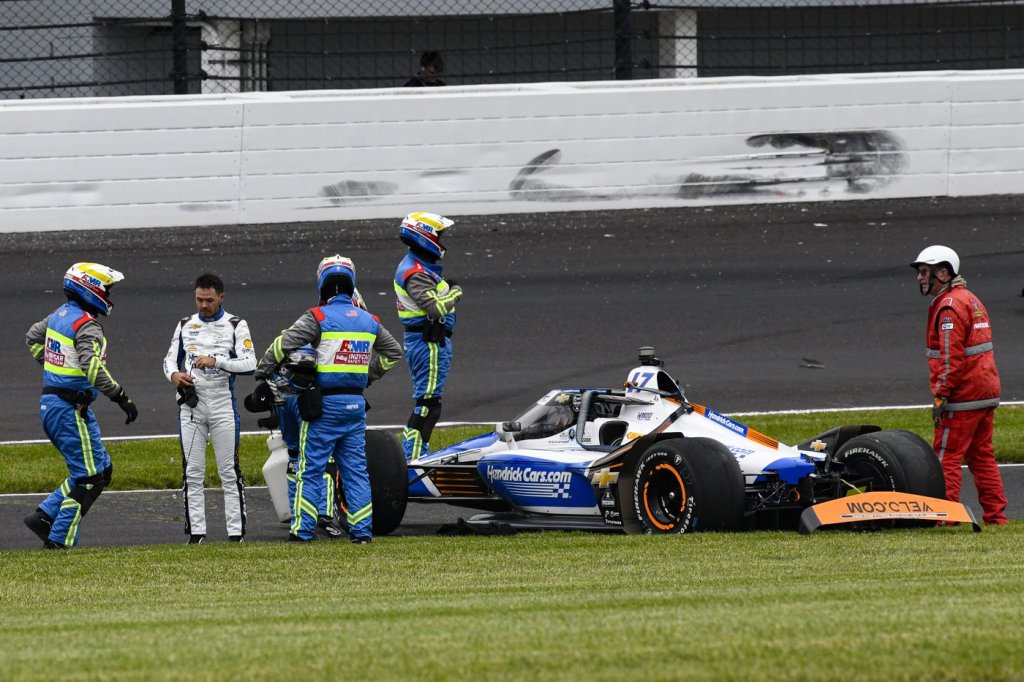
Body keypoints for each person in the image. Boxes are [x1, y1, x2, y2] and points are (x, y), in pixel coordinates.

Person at [253, 255, 402, 543]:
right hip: (355, 405)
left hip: (322, 407)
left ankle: (303, 531)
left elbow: (282, 345)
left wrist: (262, 373)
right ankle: (361, 532)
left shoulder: (318, 317)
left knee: (310, 470)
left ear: (322, 283)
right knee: (356, 472)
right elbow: (393, 353)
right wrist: (367, 376)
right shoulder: (370, 321)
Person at [23, 262, 139, 549]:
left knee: (102, 470)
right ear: (91, 289)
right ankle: (59, 540)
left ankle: (43, 516)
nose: (109, 296)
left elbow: (32, 337)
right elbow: (92, 367)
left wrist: (54, 369)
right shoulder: (87, 325)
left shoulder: (59, 315)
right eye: (107, 290)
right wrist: (121, 397)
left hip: (57, 406)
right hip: (68, 409)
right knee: (90, 478)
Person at [911, 245, 1008, 525]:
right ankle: (996, 517)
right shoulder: (970, 299)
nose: (920, 278)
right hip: (985, 391)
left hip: (963, 396)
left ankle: (945, 518)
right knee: (982, 457)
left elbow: (950, 359)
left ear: (943, 274)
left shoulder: (949, 307)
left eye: (925, 272)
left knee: (946, 456)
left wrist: (941, 395)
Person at [163, 273, 256, 544]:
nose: (203, 305)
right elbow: (169, 360)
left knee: (229, 471)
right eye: (199, 300)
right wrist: (174, 375)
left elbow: (250, 363)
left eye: (209, 300)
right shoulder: (184, 324)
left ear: (221, 297)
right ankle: (196, 534)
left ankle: (236, 535)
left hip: (222, 406)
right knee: (192, 472)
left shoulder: (236, 324)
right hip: (191, 407)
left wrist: (217, 361)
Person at [393, 211, 463, 461]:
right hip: (428, 342)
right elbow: (435, 307)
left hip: (429, 340)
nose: (442, 242)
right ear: (425, 237)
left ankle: (415, 456)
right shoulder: (416, 272)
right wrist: (455, 292)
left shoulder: (419, 266)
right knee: (428, 405)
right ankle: (413, 460)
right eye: (439, 236)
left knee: (429, 403)